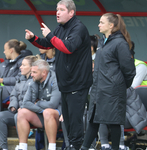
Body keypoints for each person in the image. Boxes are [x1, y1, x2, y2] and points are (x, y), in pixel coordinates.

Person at [24, 0, 92, 149]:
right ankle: (71, 145)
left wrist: (50, 35)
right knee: (67, 120)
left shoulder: (78, 28)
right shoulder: (61, 28)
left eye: (61, 9)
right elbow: (48, 44)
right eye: (56, 9)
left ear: (71, 13)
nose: (57, 12)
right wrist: (33, 39)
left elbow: (67, 48)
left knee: (75, 120)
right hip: (65, 83)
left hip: (78, 82)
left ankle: (75, 146)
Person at [81, 13, 135, 150]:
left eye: (101, 22)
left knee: (114, 122)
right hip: (98, 90)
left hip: (112, 91)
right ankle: (84, 148)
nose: (98, 24)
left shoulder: (120, 43)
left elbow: (129, 70)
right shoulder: (101, 42)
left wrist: (120, 85)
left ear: (111, 25)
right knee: (93, 121)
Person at [99, 41, 147, 150]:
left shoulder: (139, 67)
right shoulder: (118, 69)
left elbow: (128, 90)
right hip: (128, 107)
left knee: (116, 110)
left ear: (129, 57)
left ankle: (121, 145)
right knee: (100, 111)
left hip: (139, 109)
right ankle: (104, 145)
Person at [17, 59, 62, 150]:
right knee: (22, 112)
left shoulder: (55, 79)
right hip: (42, 114)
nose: (31, 74)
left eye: (34, 72)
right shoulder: (34, 81)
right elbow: (25, 103)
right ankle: (22, 147)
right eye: (31, 72)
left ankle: (52, 147)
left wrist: (38, 103)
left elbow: (53, 104)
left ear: (44, 73)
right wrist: (40, 109)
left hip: (59, 116)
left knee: (48, 112)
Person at [0, 55, 38, 150]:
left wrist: (24, 108)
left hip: (32, 114)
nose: (20, 67)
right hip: (18, 111)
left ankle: (22, 146)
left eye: (23, 65)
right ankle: (3, 148)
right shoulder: (20, 79)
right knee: (1, 116)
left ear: (31, 67)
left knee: (19, 115)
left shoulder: (37, 80)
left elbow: (36, 99)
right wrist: (13, 105)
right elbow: (13, 95)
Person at [0, 39, 32, 104]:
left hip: (14, 91)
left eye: (5, 50)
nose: (4, 52)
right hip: (5, 88)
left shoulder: (22, 62)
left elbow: (19, 79)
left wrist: (2, 80)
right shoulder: (7, 62)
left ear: (11, 50)